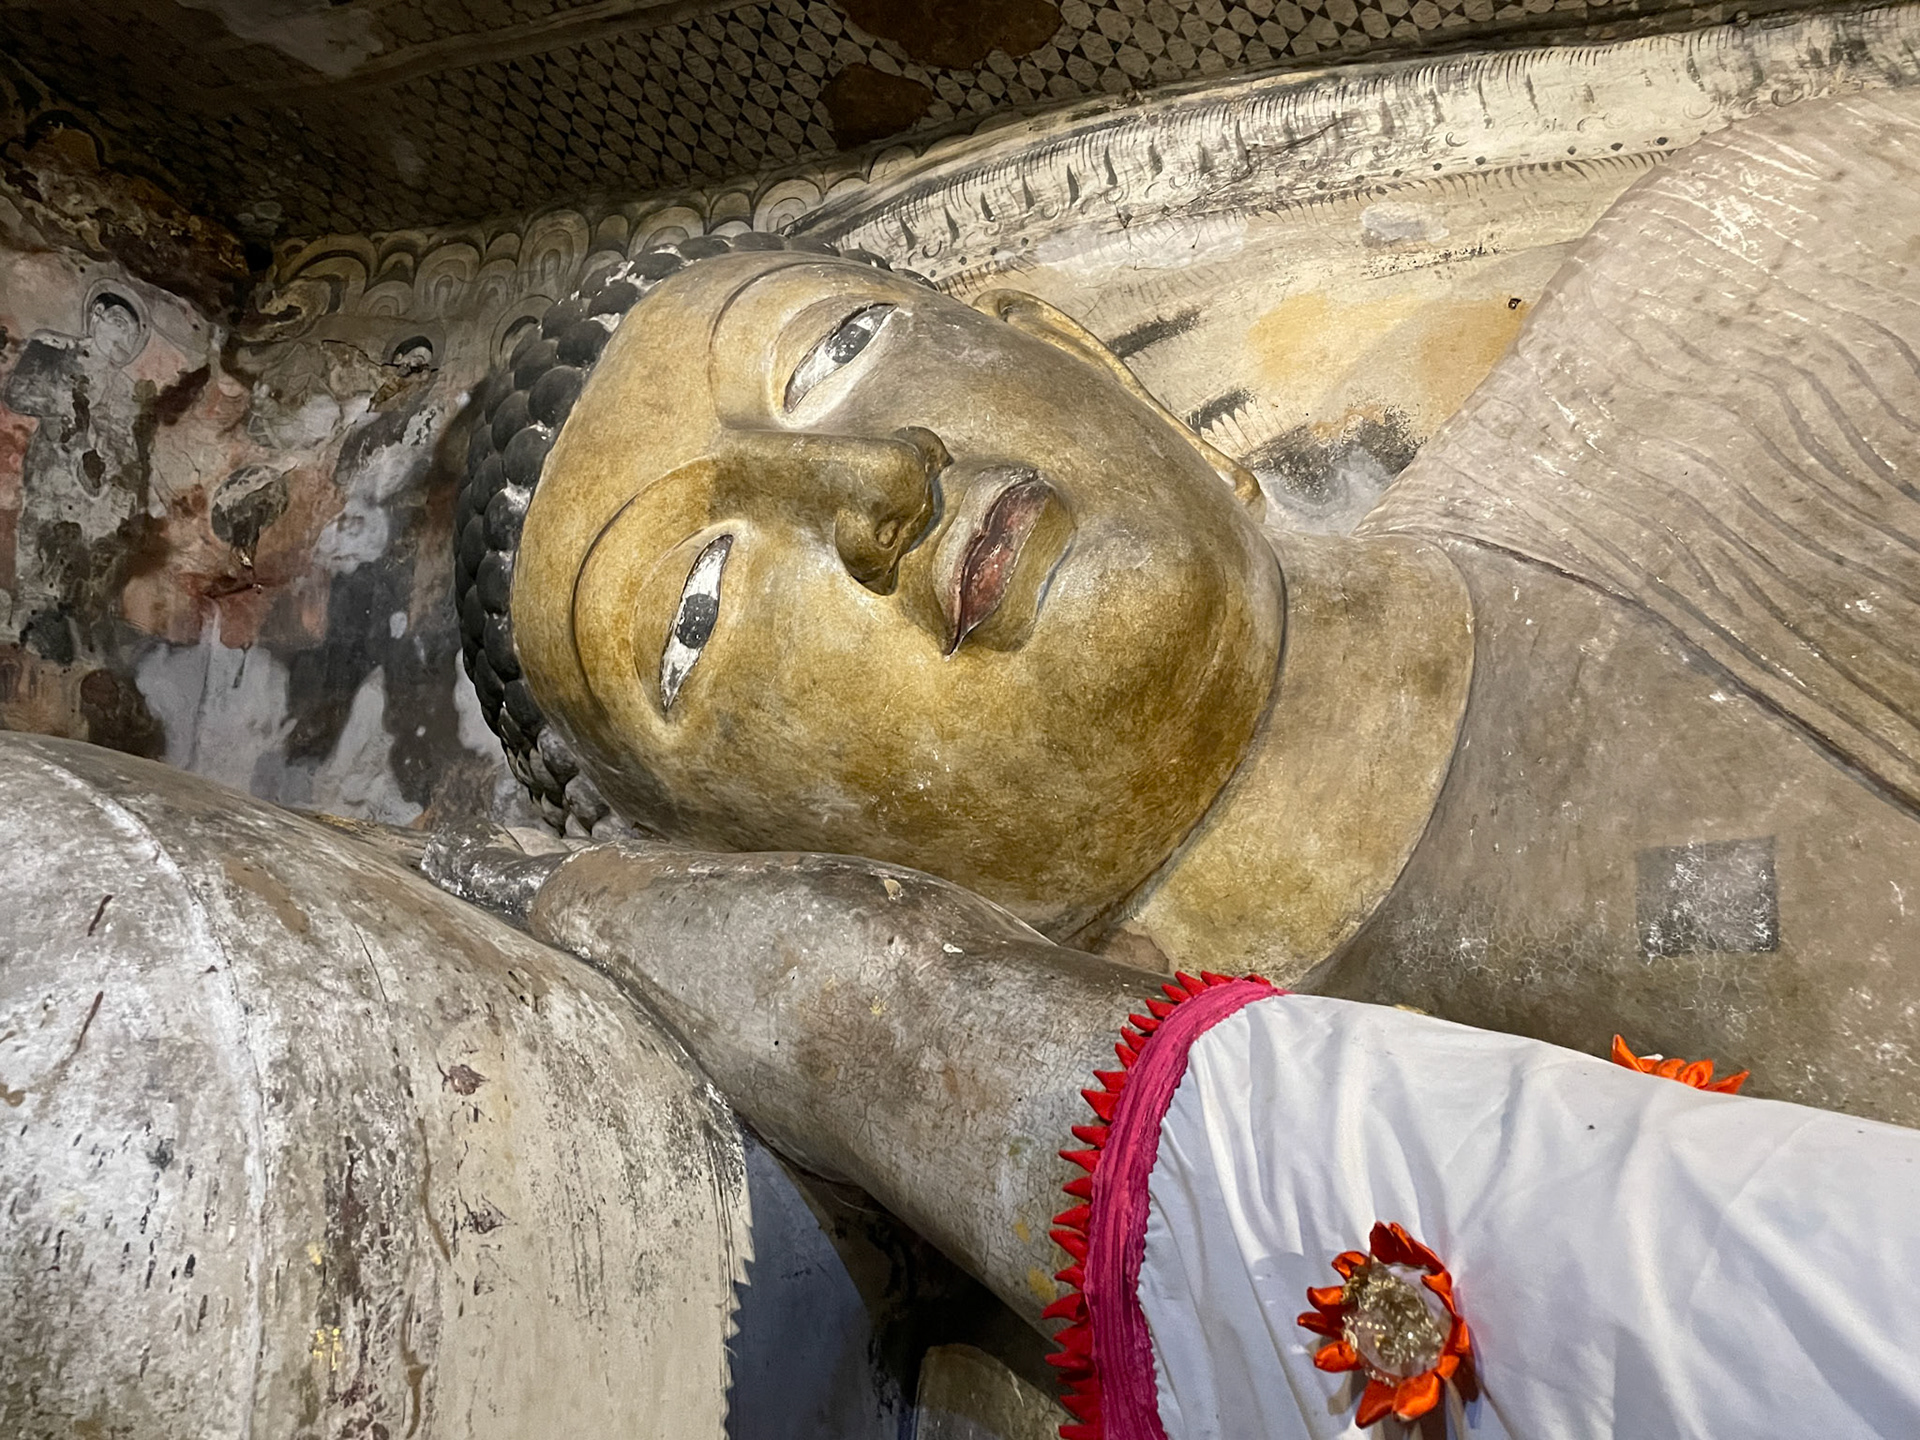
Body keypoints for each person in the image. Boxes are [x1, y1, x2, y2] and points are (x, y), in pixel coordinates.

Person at [455, 90, 1920, 1130]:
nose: (873, 486)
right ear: (777, 878)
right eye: (695, 612)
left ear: (1079, 352)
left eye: (837, 351)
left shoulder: (1796, 265)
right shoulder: (1186, 1310)